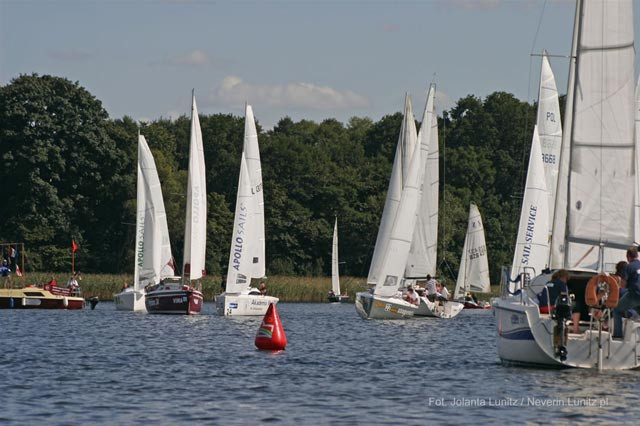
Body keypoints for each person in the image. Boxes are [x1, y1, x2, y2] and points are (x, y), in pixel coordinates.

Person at [613, 247, 640, 338]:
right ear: (637, 255)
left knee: (616, 310)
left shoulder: (628, 267)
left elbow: (623, 285)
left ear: (628, 257)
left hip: (634, 295)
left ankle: (617, 335)